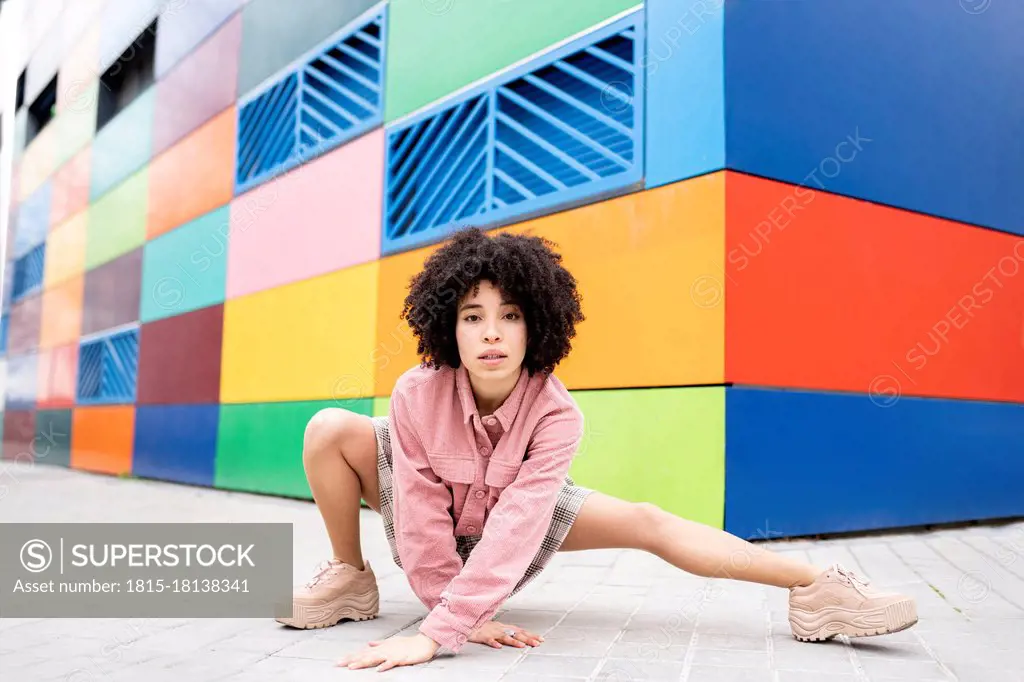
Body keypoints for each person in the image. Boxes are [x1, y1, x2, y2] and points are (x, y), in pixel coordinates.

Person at [277, 227, 918, 672]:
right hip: (436, 521)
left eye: (511, 315)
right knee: (331, 426)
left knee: (646, 520)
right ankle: (349, 578)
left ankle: (817, 587)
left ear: (539, 323)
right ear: (447, 324)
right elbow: (416, 517)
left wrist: (447, 625)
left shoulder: (557, 413)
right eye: (472, 316)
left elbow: (522, 522)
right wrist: (451, 622)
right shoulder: (416, 393)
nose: (492, 334)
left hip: (508, 516)